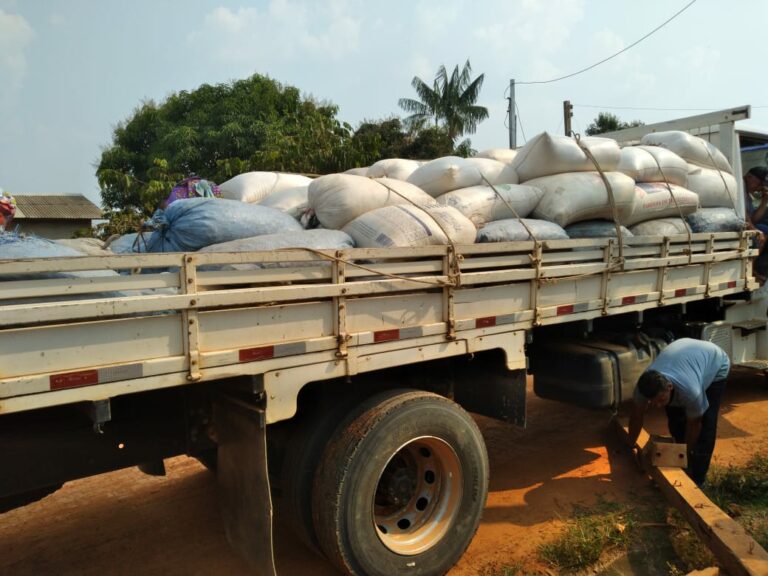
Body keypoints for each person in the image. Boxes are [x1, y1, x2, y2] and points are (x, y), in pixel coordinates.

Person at [626, 338, 730, 486]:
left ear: (669, 387)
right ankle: (680, 466)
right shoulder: (642, 389)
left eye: (660, 399)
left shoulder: (690, 392)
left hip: (715, 363)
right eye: (652, 401)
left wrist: (684, 457)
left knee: (706, 425)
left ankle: (698, 479)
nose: (657, 405)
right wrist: (630, 446)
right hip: (685, 356)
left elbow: (694, 424)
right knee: (676, 421)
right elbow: (636, 417)